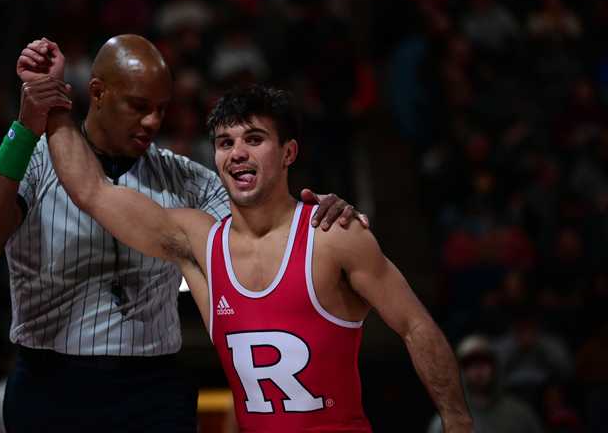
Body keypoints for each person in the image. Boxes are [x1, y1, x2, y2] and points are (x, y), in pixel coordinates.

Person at [0, 35, 364, 433]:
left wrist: (319, 213)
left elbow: (267, 229)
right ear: (97, 93)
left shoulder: (185, 178)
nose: (152, 122)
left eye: (161, 109)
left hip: (152, 386)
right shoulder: (34, 159)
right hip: (52, 384)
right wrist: (26, 129)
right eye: (138, 107)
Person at [45, 80, 473, 432]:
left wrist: (457, 422)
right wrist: (54, 105)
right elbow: (92, 192)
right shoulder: (197, 240)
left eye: (254, 139)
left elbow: (416, 326)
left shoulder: (332, 235)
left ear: (288, 152)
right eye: (225, 142)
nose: (238, 154)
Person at [427, 335, 543, 433]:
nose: (478, 369)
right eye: (470, 363)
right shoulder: (447, 421)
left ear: (494, 367)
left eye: (483, 361)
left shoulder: (519, 414)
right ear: (461, 371)